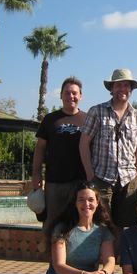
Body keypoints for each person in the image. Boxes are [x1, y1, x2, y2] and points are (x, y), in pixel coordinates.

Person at [80, 68, 137, 229]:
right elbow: (83, 143)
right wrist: (90, 175)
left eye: (126, 85)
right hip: (102, 178)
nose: (122, 89)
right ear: (112, 88)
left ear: (131, 89)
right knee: (101, 226)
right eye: (118, 85)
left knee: (127, 227)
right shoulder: (97, 111)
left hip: (128, 180)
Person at [31, 77, 87, 232]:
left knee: (77, 224)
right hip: (54, 182)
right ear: (61, 95)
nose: (71, 96)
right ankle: (49, 248)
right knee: (51, 224)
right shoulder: (50, 119)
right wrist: (36, 174)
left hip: (80, 182)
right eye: (67, 93)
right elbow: (40, 148)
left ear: (81, 96)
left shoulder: (88, 119)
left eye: (74, 93)